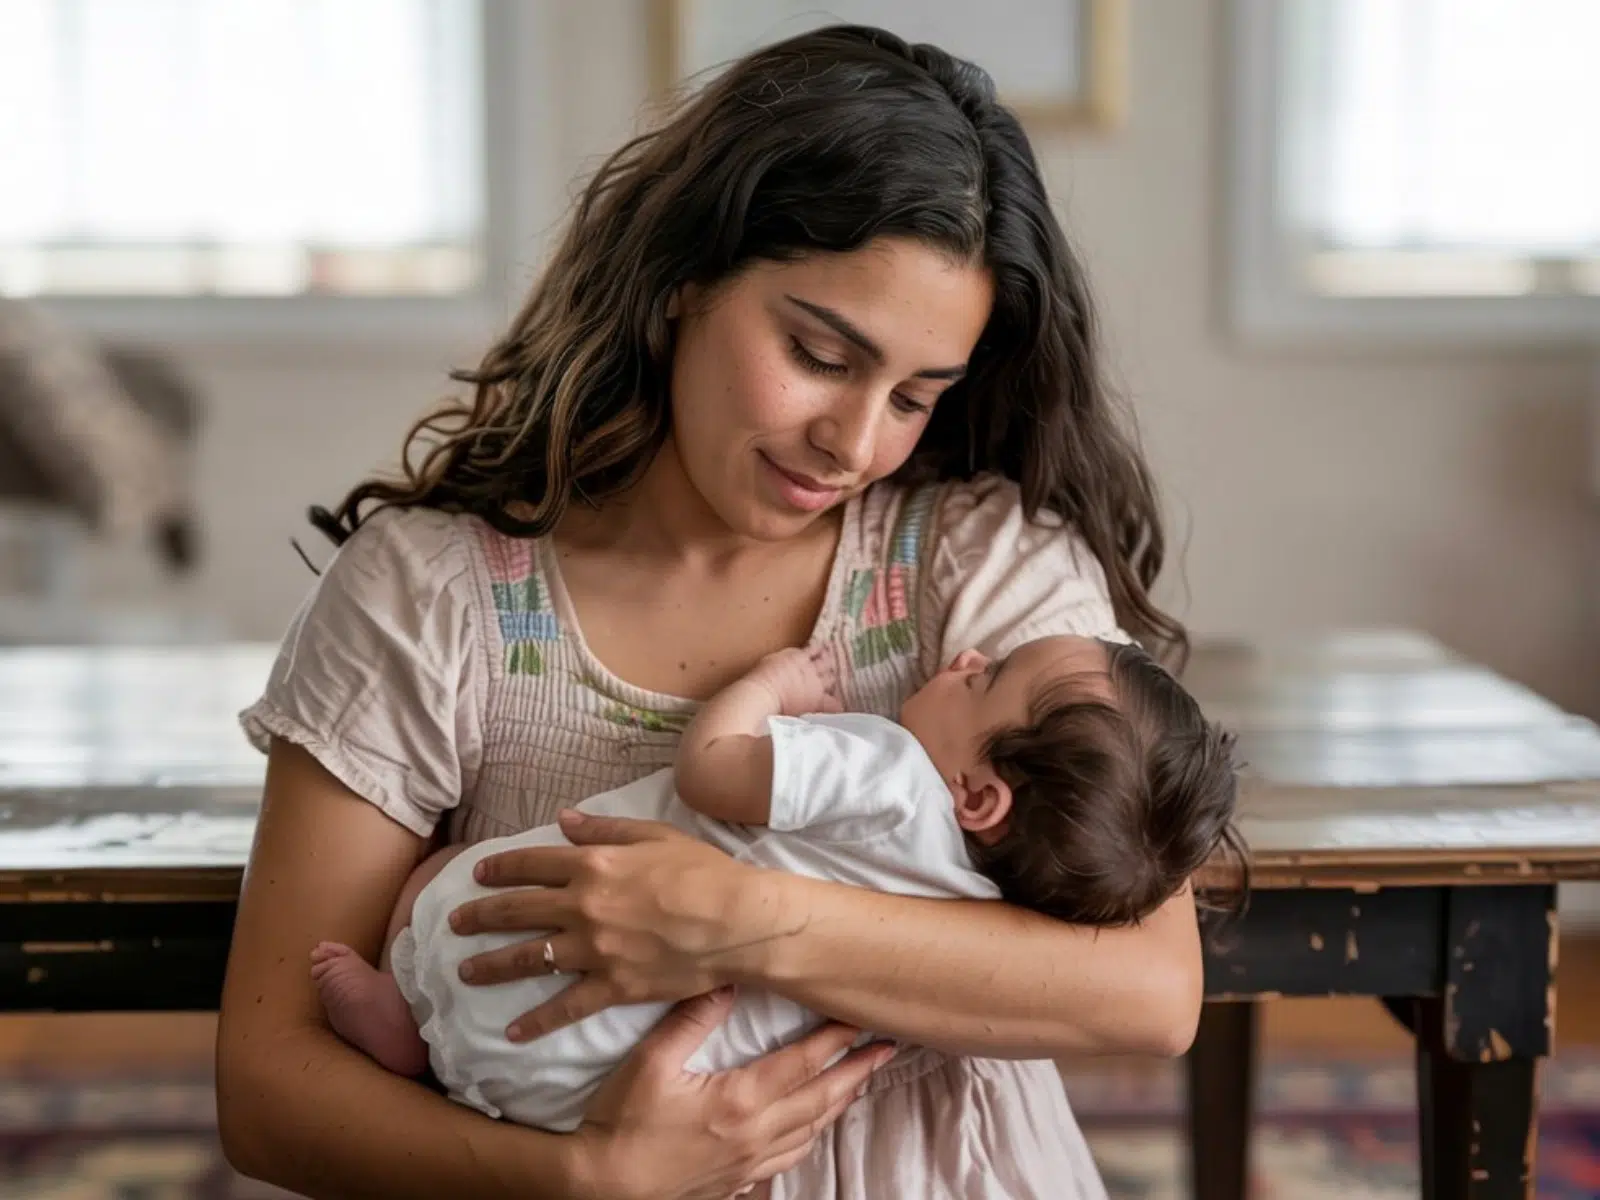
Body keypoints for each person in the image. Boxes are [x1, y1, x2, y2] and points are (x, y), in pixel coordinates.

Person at [217, 22, 1215, 1200]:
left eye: (913, 395)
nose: (851, 442)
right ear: (683, 274)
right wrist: (593, 1179)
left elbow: (1149, 993)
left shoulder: (980, 565)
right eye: (816, 352)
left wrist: (741, 920)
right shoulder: (432, 594)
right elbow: (269, 1085)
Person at [306, 635, 1240, 1135]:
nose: (963, 658)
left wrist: (772, 685)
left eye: (985, 677)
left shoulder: (887, 772)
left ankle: (407, 1015)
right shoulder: (990, 915)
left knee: (444, 880)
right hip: (592, 1096)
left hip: (512, 956)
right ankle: (429, 1053)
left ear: (978, 794)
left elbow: (714, 768)